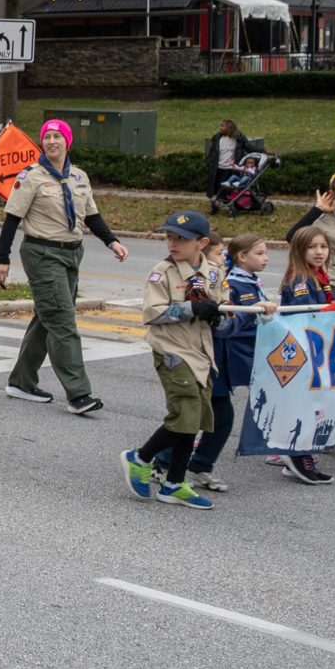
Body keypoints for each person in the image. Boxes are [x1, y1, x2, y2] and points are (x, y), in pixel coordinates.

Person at [0, 118, 128, 418]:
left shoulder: (79, 177)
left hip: (71, 254)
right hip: (42, 253)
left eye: (57, 136)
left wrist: (112, 241)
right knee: (63, 322)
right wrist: (3, 258)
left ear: (68, 141)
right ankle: (78, 394)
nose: (52, 141)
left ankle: (21, 382)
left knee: (47, 317)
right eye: (47, 136)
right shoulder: (31, 176)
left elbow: (91, 216)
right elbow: (12, 218)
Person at [122, 210, 224, 508]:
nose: (172, 243)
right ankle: (140, 457)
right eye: (169, 237)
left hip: (201, 353)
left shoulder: (214, 273)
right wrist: (192, 309)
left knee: (195, 418)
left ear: (202, 243)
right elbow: (152, 313)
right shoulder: (162, 272)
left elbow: (222, 307)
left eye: (181, 239)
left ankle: (174, 483)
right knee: (185, 411)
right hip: (172, 351)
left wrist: (218, 317)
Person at [189, 232, 275, 494]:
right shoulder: (204, 283)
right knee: (190, 418)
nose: (223, 259)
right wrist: (252, 313)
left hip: (219, 360)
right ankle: (154, 459)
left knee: (218, 417)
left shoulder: (221, 281)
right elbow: (224, 327)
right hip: (204, 358)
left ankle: (199, 464)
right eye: (219, 255)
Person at [275, 226, 335, 485]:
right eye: (312, 247)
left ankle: (303, 454)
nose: (319, 252)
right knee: (305, 404)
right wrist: (332, 310)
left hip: (315, 348)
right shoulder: (301, 280)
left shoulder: (319, 276)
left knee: (315, 404)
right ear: (299, 251)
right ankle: (297, 455)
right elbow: (303, 315)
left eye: (323, 246)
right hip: (301, 349)